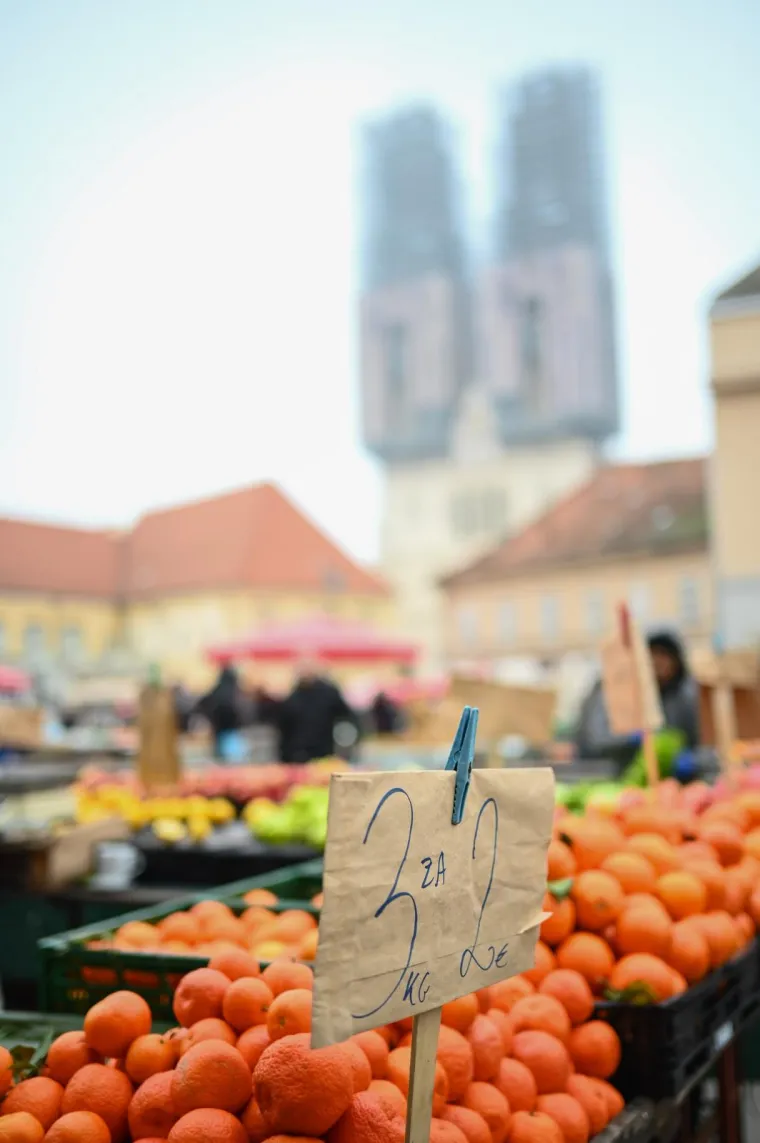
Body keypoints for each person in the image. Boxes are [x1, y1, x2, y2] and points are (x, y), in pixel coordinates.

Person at [574, 627, 699, 764]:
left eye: (665, 655)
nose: (658, 661)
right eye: (653, 654)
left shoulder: (683, 697)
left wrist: (692, 758)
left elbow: (697, 741)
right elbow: (595, 737)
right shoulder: (613, 689)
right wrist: (631, 738)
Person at [275, 657, 357, 764]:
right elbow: (283, 729)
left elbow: (347, 718)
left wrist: (346, 746)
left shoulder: (329, 693)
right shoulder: (292, 697)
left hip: (323, 753)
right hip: (296, 756)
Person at [195, 665, 245, 760]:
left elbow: (202, 704)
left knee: (222, 759)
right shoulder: (233, 692)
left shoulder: (216, 690)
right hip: (231, 730)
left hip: (219, 729)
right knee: (233, 760)